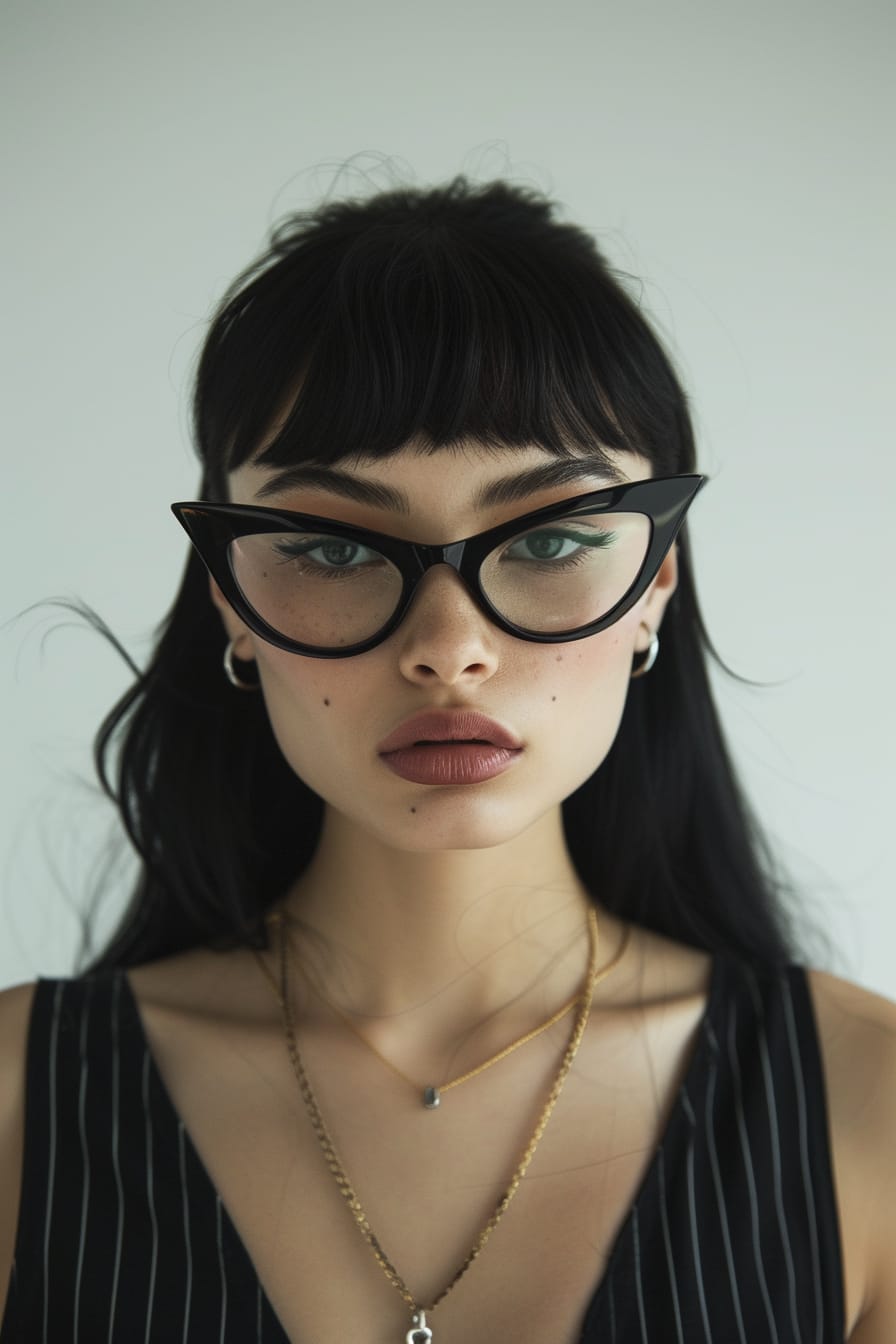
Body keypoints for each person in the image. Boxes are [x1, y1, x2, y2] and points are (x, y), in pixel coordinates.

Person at [0, 178, 893, 1344]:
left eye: (553, 537)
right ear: (228, 596)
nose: (447, 649)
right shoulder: (20, 1107)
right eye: (328, 545)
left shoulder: (865, 1107)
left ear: (653, 585)